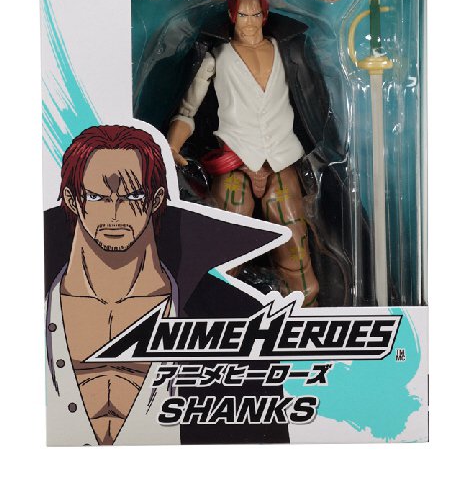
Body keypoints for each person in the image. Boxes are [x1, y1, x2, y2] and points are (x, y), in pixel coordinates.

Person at [45, 124, 287, 445]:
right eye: (97, 196)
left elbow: (267, 446)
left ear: (157, 199)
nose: (115, 213)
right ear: (73, 200)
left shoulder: (239, 318)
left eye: (133, 196)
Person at [139, 0, 353, 308]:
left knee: (293, 237)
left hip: (281, 159)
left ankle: (307, 310)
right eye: (243, 15)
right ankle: (213, 307)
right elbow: (188, 109)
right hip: (234, 160)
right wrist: (172, 148)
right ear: (232, 17)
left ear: (264, 17)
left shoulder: (287, 50)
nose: (250, 22)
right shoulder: (216, 56)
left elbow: (312, 102)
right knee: (229, 235)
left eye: (255, 15)